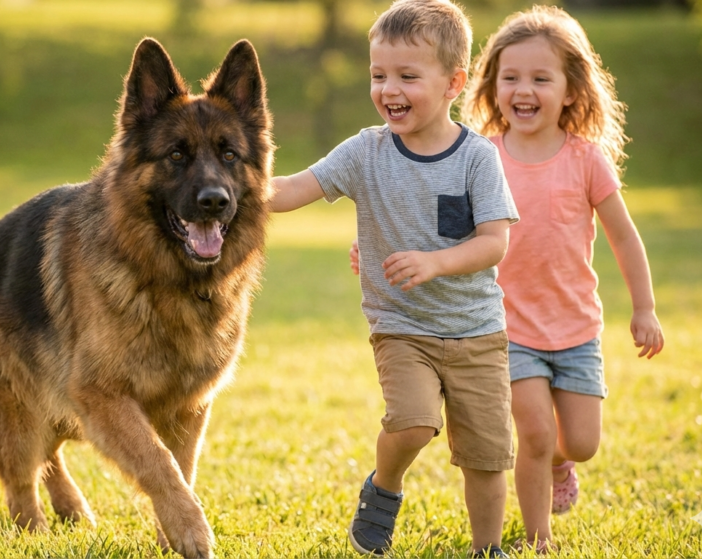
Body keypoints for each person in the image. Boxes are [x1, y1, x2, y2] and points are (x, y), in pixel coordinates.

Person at [353, 5, 666, 553]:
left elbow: (624, 238)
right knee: (534, 437)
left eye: (540, 78)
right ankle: (537, 538)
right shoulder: (479, 154)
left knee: (581, 443)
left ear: (571, 90)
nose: (523, 89)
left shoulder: (586, 161)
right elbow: (431, 219)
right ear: (490, 84)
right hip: (501, 327)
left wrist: (644, 308)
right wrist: (379, 245)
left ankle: (560, 466)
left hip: (574, 328)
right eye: (510, 77)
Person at [270, 0, 519, 556]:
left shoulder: (477, 159)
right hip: (402, 324)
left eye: (408, 76)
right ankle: (384, 486)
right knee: (411, 423)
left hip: (477, 331)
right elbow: (293, 189)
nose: (389, 89)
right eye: (378, 75)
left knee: (486, 454)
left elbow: (494, 241)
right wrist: (232, 186)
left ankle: (488, 548)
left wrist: (434, 262)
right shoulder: (366, 152)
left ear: (454, 82)